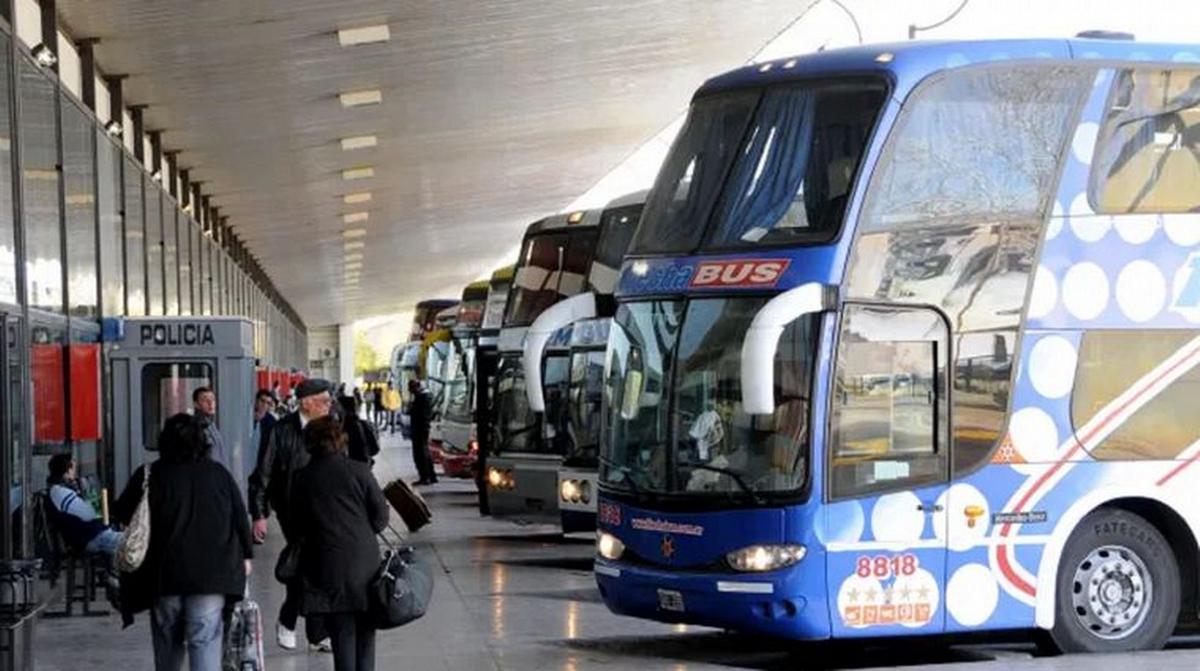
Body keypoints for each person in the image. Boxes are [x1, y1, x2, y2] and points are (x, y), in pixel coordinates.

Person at [114, 413, 252, 671]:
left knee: (167, 642)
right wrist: (245, 556)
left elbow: (122, 513)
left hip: (165, 575)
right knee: (205, 640)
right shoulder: (218, 474)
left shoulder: (150, 474)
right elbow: (239, 517)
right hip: (211, 575)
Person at [291, 416, 389, 671]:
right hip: (365, 563)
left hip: (326, 563)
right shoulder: (360, 470)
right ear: (339, 440)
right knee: (366, 633)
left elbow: (296, 525)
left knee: (342, 632)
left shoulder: (302, 478)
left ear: (309, 443)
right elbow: (381, 518)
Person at [247, 378, 333, 652]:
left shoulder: (332, 425)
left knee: (316, 567)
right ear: (307, 403)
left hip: (327, 508)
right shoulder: (281, 431)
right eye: (324, 400)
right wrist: (259, 514)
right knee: (307, 563)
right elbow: (262, 476)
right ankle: (292, 621)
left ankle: (311, 631)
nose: (330, 405)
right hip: (292, 510)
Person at [45, 453, 123, 558]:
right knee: (135, 543)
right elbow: (89, 514)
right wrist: (90, 497)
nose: (75, 474)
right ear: (66, 472)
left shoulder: (58, 491)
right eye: (73, 470)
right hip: (90, 537)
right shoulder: (60, 492)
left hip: (92, 534)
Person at [249, 390, 278, 497]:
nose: (264, 405)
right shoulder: (246, 416)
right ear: (256, 401)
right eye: (262, 401)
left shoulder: (271, 422)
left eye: (268, 403)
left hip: (261, 463)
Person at [408, 379, 437, 485]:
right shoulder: (426, 397)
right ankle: (431, 475)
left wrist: (411, 408)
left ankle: (425, 476)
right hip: (423, 428)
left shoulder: (421, 398)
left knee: (420, 453)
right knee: (425, 452)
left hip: (419, 429)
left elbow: (417, 414)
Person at [338, 396, 380, 465]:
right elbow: (374, 449)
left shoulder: (349, 427)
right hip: (361, 463)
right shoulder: (361, 424)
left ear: (344, 409)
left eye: (338, 406)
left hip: (356, 464)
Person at [193, 387, 227, 467]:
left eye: (212, 399)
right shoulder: (197, 427)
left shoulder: (212, 425)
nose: (210, 403)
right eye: (205, 400)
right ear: (196, 404)